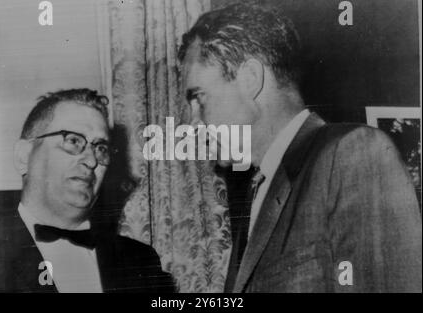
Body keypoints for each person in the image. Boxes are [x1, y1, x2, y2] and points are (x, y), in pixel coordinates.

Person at [178, 4, 422, 292]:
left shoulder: (352, 155)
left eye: (198, 97)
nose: (192, 123)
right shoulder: (256, 194)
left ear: (250, 79)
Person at [0, 89, 174, 293]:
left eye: (101, 148)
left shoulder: (140, 260)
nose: (91, 160)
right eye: (73, 141)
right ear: (24, 156)